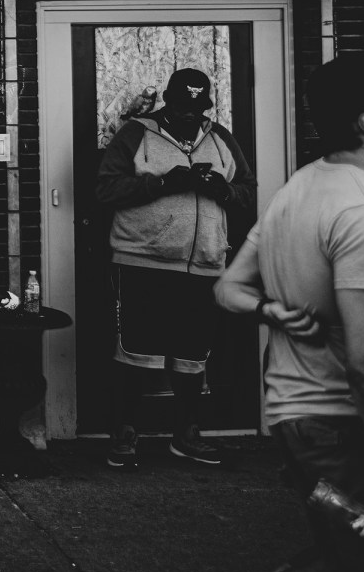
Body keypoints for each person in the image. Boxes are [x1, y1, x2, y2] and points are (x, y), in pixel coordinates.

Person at [183, 51, 364, 572]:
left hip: (301, 426)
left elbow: (228, 289)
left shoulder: (300, 191)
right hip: (343, 424)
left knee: (346, 556)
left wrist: (274, 311)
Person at [95, 69, 256, 468]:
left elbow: (248, 192)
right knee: (136, 353)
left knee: (192, 357)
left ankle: (186, 434)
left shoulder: (220, 137)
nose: (190, 116)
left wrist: (223, 190)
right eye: (182, 107)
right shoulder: (136, 133)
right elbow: (105, 189)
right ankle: (125, 432)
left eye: (198, 108)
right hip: (143, 261)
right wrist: (164, 183)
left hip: (204, 263)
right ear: (168, 100)